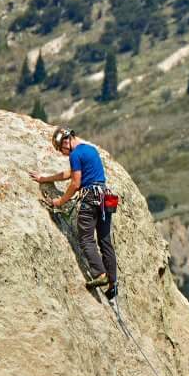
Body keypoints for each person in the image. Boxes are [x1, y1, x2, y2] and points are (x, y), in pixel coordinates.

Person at [35, 127, 120, 299]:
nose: (62, 153)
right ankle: (113, 283)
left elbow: (75, 183)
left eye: (61, 149)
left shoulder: (75, 154)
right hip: (106, 197)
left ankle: (99, 274)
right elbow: (69, 173)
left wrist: (59, 201)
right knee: (105, 241)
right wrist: (45, 179)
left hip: (91, 198)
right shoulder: (90, 149)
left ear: (66, 141)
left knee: (86, 238)